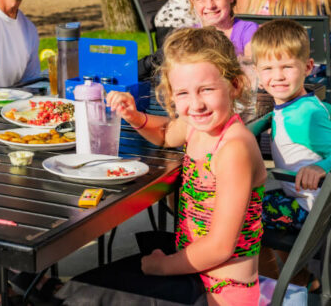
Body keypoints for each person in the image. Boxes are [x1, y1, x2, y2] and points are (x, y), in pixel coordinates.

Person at [108, 28, 267, 305]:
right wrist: (135, 117)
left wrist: (162, 266)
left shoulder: (234, 149)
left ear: (236, 86)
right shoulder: (197, 125)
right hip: (194, 272)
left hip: (222, 291)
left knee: (96, 292)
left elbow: (220, 246)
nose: (196, 104)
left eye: (206, 89)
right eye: (183, 93)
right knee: (102, 286)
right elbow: (168, 133)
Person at [248, 19, 331, 292]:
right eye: (268, 68)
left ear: (308, 67)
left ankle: (272, 288)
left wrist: (320, 168)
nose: (278, 76)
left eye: (287, 66)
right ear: (258, 74)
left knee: (243, 214)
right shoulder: (305, 104)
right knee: (265, 205)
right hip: (328, 203)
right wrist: (263, 123)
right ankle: (300, 279)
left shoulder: (304, 116)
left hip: (325, 212)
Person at [139, 0, 258, 78]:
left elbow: (253, 63)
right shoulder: (185, 36)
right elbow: (153, 66)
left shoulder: (247, 31)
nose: (210, 5)